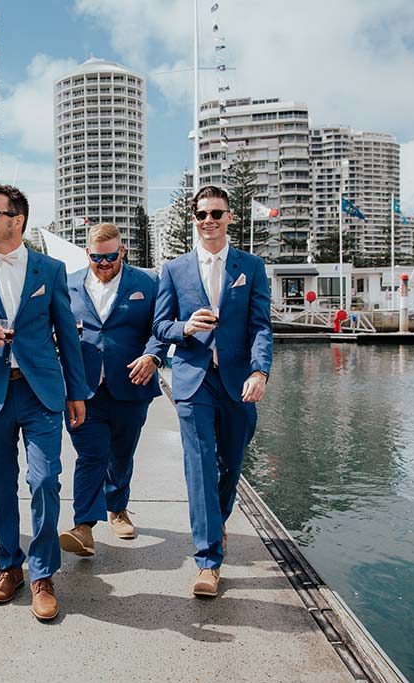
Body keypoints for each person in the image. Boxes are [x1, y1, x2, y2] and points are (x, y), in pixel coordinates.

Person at [0, 184, 88, 622]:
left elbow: (67, 334)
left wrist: (76, 392)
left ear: (16, 220)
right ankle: (9, 566)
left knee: (44, 481)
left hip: (41, 392)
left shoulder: (51, 269)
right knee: (2, 486)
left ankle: (43, 574)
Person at [152, 185, 273, 598]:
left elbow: (260, 326)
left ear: (230, 217)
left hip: (239, 380)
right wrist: (184, 328)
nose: (209, 221)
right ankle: (208, 561)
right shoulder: (174, 269)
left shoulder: (251, 266)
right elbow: (159, 327)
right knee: (200, 465)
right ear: (193, 218)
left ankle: (218, 516)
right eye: (202, 214)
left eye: (216, 214)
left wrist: (260, 372)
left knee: (231, 462)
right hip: (192, 380)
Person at [59, 223, 168, 557]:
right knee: (91, 455)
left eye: (109, 256)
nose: (103, 263)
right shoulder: (68, 284)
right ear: (87, 254)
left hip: (131, 385)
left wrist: (153, 356)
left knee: (121, 454)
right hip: (82, 387)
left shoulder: (147, 283)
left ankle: (117, 507)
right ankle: (84, 527)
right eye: (96, 257)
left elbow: (161, 327)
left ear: (122, 251)